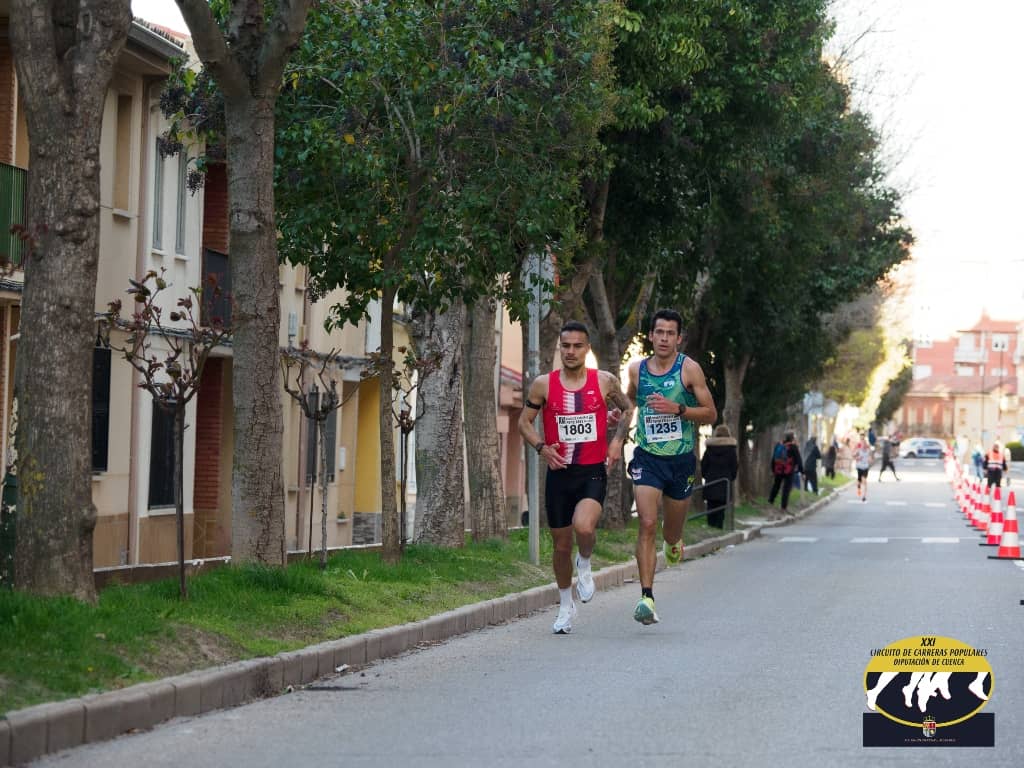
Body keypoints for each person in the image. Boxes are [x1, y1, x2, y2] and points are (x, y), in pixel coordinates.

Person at [518, 321, 633, 634]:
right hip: (559, 474)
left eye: (577, 346)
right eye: (565, 346)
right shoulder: (543, 384)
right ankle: (565, 606)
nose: (570, 351)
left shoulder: (604, 381)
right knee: (560, 546)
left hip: (592, 471)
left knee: (584, 527)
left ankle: (585, 560)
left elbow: (627, 408)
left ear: (587, 349)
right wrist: (541, 448)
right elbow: (524, 422)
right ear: (560, 347)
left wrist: (617, 441)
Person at [625, 309, 717, 626]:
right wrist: (619, 423)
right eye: (659, 332)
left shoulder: (689, 370)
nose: (664, 338)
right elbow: (630, 401)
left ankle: (674, 542)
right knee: (647, 522)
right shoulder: (636, 370)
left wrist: (678, 409)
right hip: (648, 457)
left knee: (671, 530)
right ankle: (646, 597)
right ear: (651, 336)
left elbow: (710, 413)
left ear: (678, 338)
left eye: (670, 333)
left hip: (680, 460)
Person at [701, 424, 738, 529]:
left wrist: (706, 476)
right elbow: (734, 467)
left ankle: (710, 525)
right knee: (721, 508)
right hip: (724, 482)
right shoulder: (731, 450)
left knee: (710, 506)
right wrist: (730, 477)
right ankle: (719, 526)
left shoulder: (709, 449)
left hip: (711, 481)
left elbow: (704, 465)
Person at [768, 431, 803, 512]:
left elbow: (774, 459)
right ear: (792, 438)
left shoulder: (778, 445)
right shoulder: (793, 447)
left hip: (778, 470)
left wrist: (773, 470)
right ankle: (783, 507)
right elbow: (799, 460)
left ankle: (770, 501)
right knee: (786, 489)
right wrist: (802, 472)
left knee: (776, 486)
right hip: (789, 471)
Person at [854, 437, 873, 502]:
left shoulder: (868, 451)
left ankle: (864, 496)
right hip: (859, 467)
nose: (864, 445)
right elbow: (854, 456)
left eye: (865, 444)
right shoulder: (859, 450)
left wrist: (870, 460)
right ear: (861, 445)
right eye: (863, 444)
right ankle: (859, 489)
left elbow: (871, 458)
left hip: (865, 467)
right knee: (859, 481)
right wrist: (858, 458)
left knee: (864, 481)